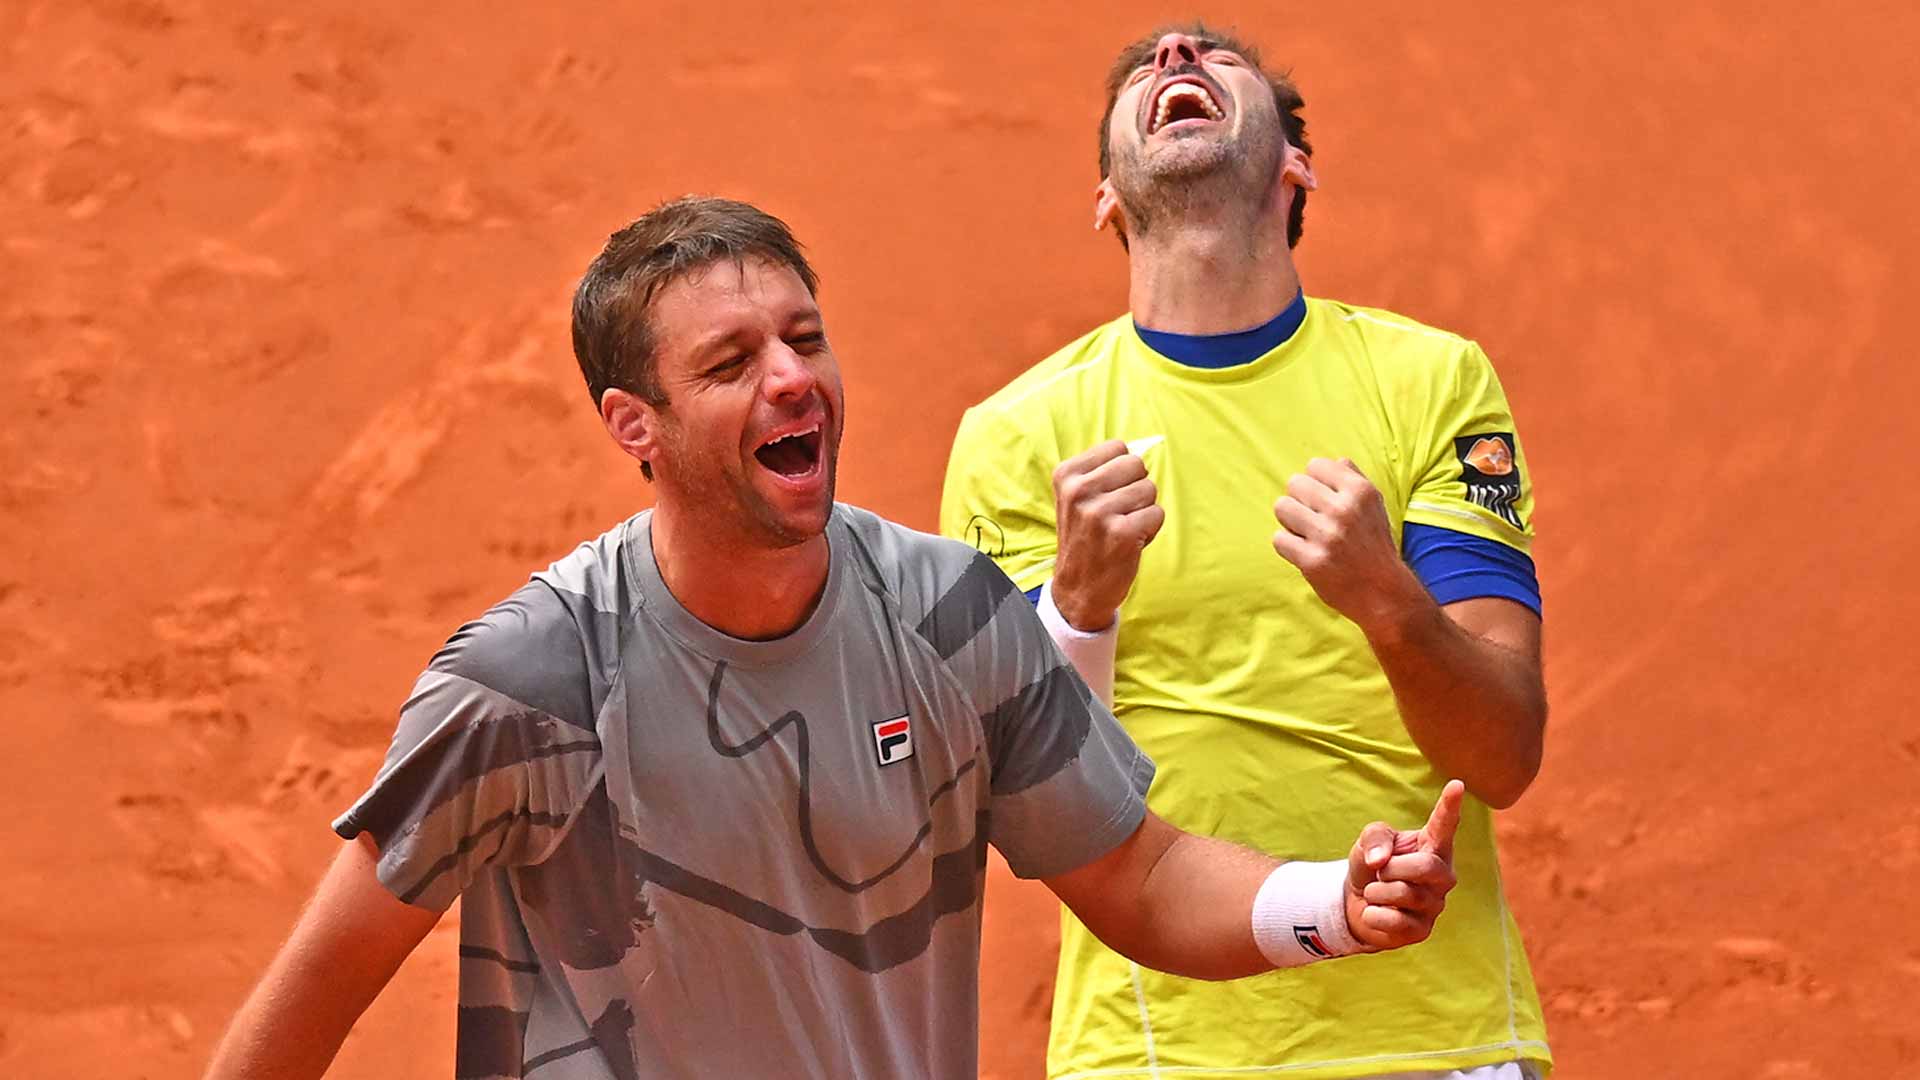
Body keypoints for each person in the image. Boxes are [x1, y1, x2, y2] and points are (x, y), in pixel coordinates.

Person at [204, 196, 1466, 1080]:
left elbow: (1135, 875)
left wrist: (1333, 907)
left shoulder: (948, 615)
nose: (793, 380)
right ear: (632, 425)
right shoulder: (529, 684)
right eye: (732, 363)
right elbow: (318, 988)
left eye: (805, 339)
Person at [941, 23, 1553, 1080]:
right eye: (1148, 69)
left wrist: (1387, 602)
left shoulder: (1432, 384)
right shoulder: (1018, 436)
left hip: (1436, 1043)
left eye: (1221, 61)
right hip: (1157, 1053)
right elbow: (1022, 796)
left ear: (1293, 165)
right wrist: (1078, 606)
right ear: (1107, 197)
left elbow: (1501, 754)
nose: (1176, 51)